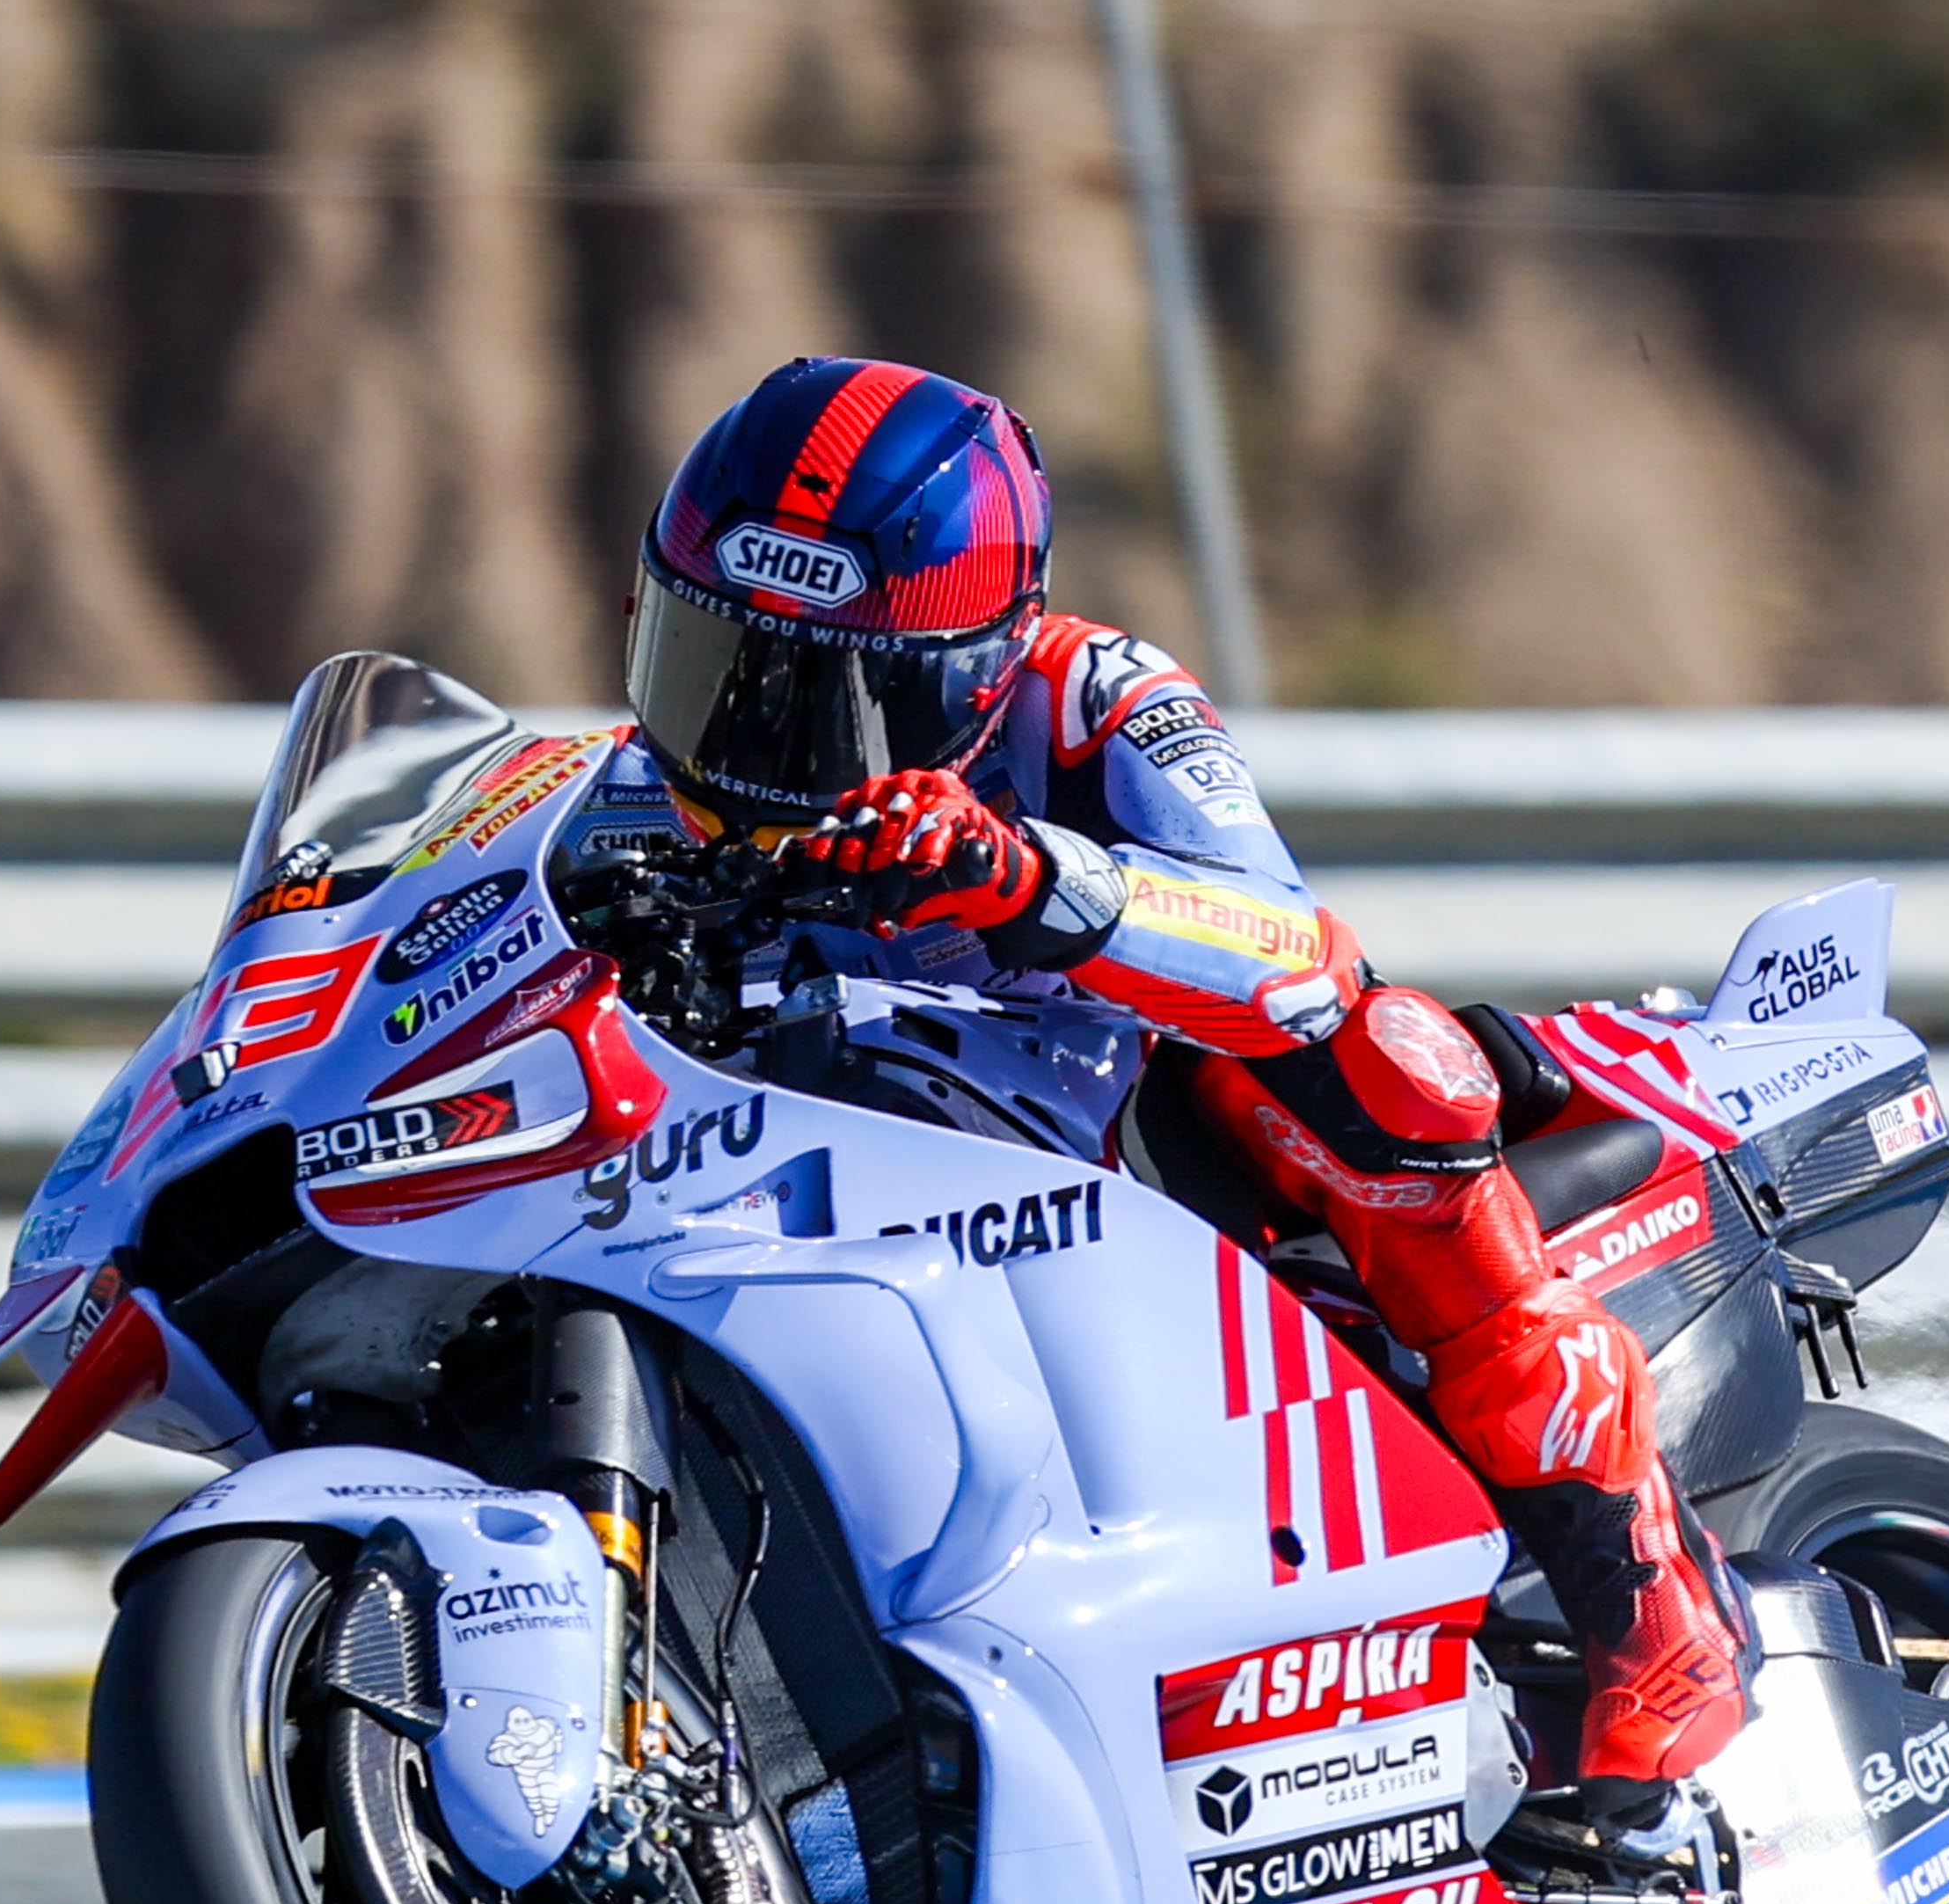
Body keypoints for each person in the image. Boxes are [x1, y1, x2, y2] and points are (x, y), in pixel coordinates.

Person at [595, 354, 1747, 1787]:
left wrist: (1031, 880)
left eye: (823, 702)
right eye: (719, 672)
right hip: (800, 1150)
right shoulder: (630, 794)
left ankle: (1650, 1610)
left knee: (1386, 1059)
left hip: (1109, 1130)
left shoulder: (1094, 701)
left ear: (968, 671)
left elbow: (1284, 943)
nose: (755, 742)